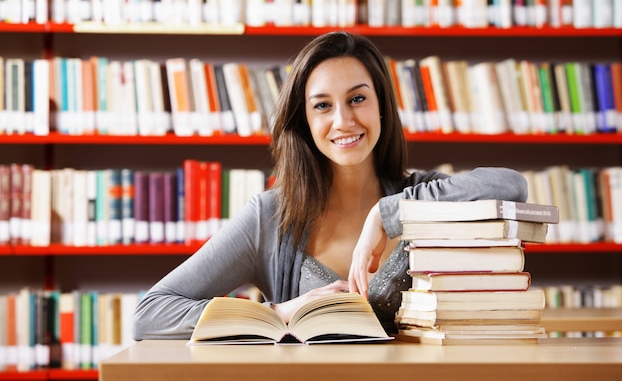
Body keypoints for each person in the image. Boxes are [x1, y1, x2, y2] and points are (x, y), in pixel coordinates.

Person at [132, 31, 527, 339]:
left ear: (382, 107)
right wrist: (279, 314)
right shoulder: (269, 217)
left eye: (357, 98)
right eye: (322, 105)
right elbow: (149, 314)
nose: (343, 120)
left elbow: (511, 186)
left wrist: (385, 214)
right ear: (304, 120)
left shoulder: (422, 198)